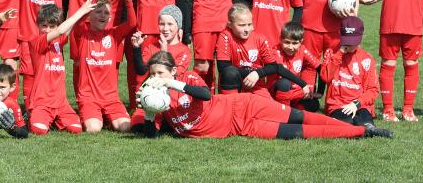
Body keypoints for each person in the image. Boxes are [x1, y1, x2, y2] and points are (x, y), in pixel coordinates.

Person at [133, 51, 392, 139]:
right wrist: (150, 114)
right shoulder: (157, 100)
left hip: (243, 106)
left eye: (161, 73)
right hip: (240, 128)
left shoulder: (186, 77)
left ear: (173, 71)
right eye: (153, 74)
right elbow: (153, 136)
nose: (157, 78)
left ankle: (367, 130)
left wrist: (172, 84)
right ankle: (361, 132)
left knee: (303, 118)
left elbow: (205, 94)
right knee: (302, 134)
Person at [27, 0, 97, 135]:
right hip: (42, 103)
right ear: (38, 25)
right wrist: (81, 10)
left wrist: (87, 4)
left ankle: (53, 119)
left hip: (61, 103)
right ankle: (37, 116)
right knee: (38, 130)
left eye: (51, 26)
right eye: (44, 25)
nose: (47, 30)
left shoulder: (58, 42)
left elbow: (69, 27)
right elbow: (60, 30)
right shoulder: (36, 41)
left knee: (76, 129)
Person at [73, 0, 137, 133]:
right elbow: (77, 22)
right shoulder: (83, 33)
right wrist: (92, 0)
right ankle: (92, 118)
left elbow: (132, 23)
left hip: (111, 98)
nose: (103, 15)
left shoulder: (114, 34)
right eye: (98, 11)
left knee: (125, 127)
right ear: (89, 15)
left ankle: (106, 119)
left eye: (106, 12)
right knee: (94, 129)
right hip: (89, 98)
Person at [215, 4, 308, 97]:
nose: (247, 29)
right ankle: (231, 106)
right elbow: (223, 68)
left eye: (249, 24)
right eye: (242, 25)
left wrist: (257, 73)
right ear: (230, 25)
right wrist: (251, 73)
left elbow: (274, 66)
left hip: (256, 86)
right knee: (230, 73)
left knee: (271, 110)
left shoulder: (260, 39)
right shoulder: (225, 36)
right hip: (234, 86)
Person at [320, 17, 379, 127]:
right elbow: (325, 77)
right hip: (337, 105)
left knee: (365, 124)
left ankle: (370, 129)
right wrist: (339, 53)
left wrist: (356, 104)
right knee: (347, 124)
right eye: (347, 40)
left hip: (360, 105)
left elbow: (373, 90)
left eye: (353, 41)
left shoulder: (367, 59)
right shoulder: (332, 52)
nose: (349, 45)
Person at [269, 22, 321, 111]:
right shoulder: (275, 51)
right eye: (287, 42)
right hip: (277, 91)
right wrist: (303, 84)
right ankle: (283, 113)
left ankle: (295, 111)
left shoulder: (302, 50)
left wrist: (320, 91)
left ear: (301, 42)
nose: (290, 47)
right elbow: (281, 71)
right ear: (280, 39)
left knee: (314, 104)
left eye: (295, 43)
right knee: (284, 83)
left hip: (295, 92)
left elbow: (319, 67)